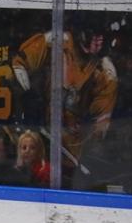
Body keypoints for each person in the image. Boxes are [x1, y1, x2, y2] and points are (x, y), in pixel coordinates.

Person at [10, 13, 118, 179]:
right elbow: (19, 63)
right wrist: (27, 95)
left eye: (101, 36)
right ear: (81, 33)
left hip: (70, 145)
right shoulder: (58, 41)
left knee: (64, 176)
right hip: (38, 133)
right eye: (94, 35)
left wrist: (90, 134)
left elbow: (102, 122)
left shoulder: (106, 72)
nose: (98, 41)